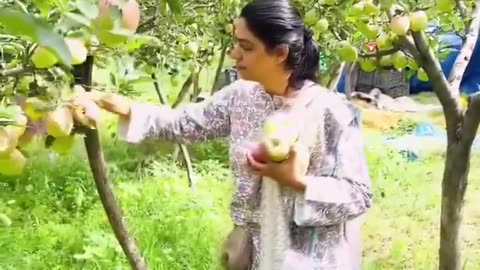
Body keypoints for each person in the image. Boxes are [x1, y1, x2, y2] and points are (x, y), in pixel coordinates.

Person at [75, 0, 373, 269]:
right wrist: (122, 106)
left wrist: (297, 182)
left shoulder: (329, 112)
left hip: (310, 259)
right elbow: (182, 124)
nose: (234, 53)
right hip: (252, 254)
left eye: (246, 46)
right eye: (235, 43)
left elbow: (358, 195)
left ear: (280, 53)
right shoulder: (241, 97)